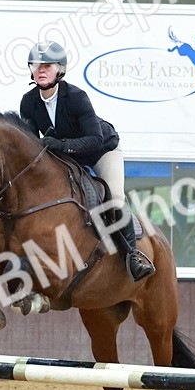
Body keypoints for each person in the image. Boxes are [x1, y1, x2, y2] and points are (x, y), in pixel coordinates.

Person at [19, 41, 156, 282]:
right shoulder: (28, 102)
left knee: (114, 198)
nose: (41, 70)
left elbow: (94, 139)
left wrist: (61, 145)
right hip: (66, 157)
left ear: (60, 70)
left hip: (101, 151)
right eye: (36, 65)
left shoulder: (76, 97)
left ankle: (133, 256)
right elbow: (32, 145)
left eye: (47, 66)